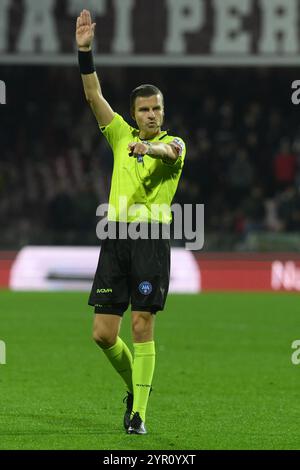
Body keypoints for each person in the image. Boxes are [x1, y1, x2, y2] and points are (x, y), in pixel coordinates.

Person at [76, 9, 186, 435]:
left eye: (157, 108)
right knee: (103, 334)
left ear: (163, 111)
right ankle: (137, 390)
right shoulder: (120, 134)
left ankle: (138, 415)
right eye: (145, 110)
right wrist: (85, 52)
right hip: (116, 241)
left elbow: (170, 153)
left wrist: (149, 150)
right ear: (134, 114)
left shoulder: (176, 142)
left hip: (150, 241)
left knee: (142, 324)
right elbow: (92, 96)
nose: (152, 115)